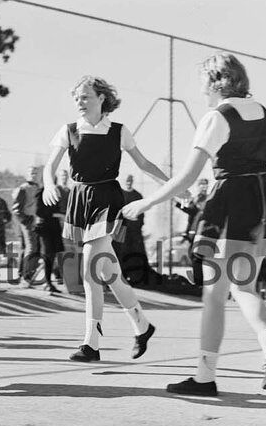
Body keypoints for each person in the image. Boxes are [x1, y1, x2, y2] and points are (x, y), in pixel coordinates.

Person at [122, 53, 266, 396]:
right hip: (264, 201)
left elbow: (187, 177)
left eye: (203, 86)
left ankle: (205, 377)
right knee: (244, 288)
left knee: (215, 295)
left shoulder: (217, 117)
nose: (202, 93)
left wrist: (146, 202)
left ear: (216, 83)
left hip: (230, 204)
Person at [43, 75, 170, 362]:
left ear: (102, 98)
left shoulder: (119, 131)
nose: (80, 102)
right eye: (77, 97)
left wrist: (172, 185)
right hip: (80, 200)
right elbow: (49, 166)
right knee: (109, 273)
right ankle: (142, 325)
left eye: (86, 96)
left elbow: (144, 164)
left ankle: (92, 343)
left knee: (89, 269)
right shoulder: (69, 130)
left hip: (107, 199)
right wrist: (49, 185)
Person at [11, 165, 42, 286]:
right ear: (27, 175)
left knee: (31, 248)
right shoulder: (23, 188)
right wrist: (27, 220)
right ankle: (26, 275)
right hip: (28, 222)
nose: (34, 175)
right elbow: (16, 209)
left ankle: (24, 273)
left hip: (37, 221)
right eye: (32, 173)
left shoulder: (39, 188)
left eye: (36, 173)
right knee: (31, 247)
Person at [33, 179, 63, 294]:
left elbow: (58, 208)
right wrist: (55, 214)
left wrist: (59, 214)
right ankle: (47, 282)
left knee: (53, 254)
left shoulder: (56, 193)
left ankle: (49, 281)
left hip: (54, 227)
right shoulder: (41, 193)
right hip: (45, 228)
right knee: (47, 254)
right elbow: (39, 211)